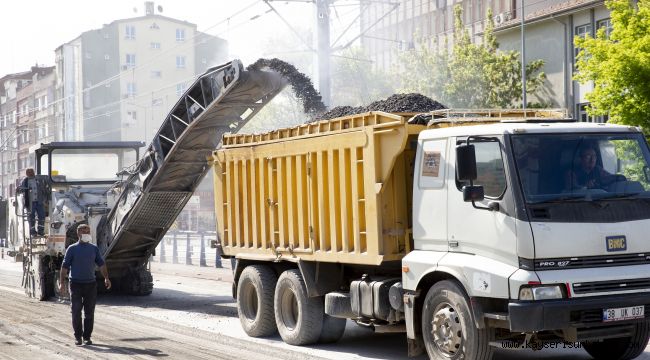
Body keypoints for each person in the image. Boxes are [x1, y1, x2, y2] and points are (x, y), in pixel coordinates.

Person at [59, 224, 111, 346]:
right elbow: (64, 267)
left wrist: (107, 278)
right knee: (76, 311)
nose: (87, 233)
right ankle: (78, 337)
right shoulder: (72, 249)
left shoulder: (94, 249)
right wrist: (61, 283)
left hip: (90, 285)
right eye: (84, 231)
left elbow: (101, 264)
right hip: (75, 284)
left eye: (88, 231)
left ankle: (87, 337)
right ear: (78, 234)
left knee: (89, 312)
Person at [20, 168, 46, 236]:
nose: (31, 173)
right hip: (30, 202)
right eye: (29, 172)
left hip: (39, 201)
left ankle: (41, 231)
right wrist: (19, 189)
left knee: (42, 216)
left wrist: (44, 199)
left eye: (32, 172)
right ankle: (33, 232)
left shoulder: (38, 180)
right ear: (26, 174)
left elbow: (43, 189)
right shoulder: (25, 181)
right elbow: (21, 190)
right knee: (31, 217)